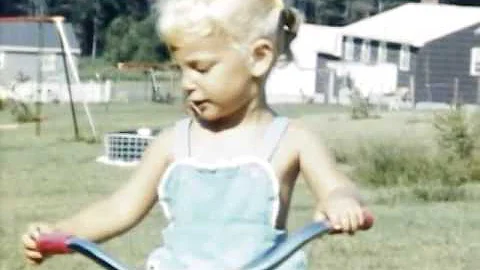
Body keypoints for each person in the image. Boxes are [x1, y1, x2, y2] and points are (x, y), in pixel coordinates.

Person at [22, 0, 368, 269]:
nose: (187, 83)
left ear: (259, 58)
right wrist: (63, 233)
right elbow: (120, 207)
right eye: (181, 69)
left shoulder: (292, 139)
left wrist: (340, 201)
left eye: (201, 68)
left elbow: (336, 185)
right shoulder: (172, 143)